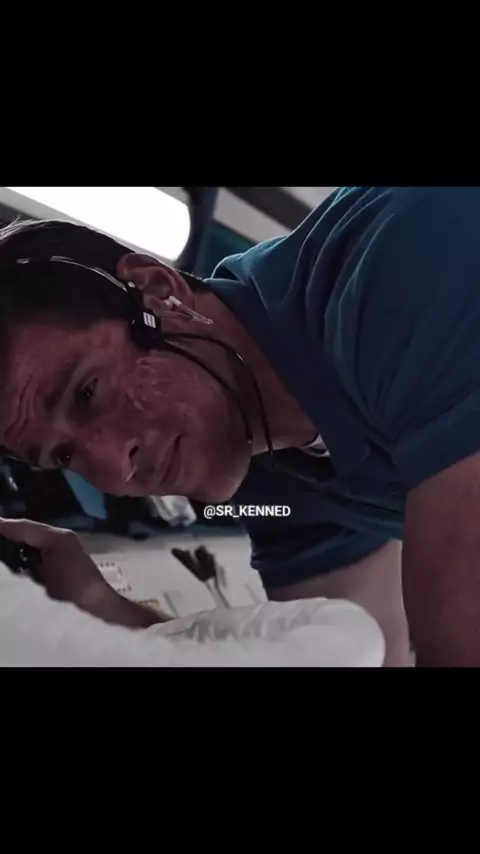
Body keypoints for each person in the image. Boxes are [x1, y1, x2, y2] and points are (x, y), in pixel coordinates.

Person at [1, 186, 479, 667]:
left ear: (160, 294)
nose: (113, 470)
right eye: (64, 455)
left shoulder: (412, 257)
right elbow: (356, 657)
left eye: (88, 392)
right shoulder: (266, 473)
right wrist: (97, 610)